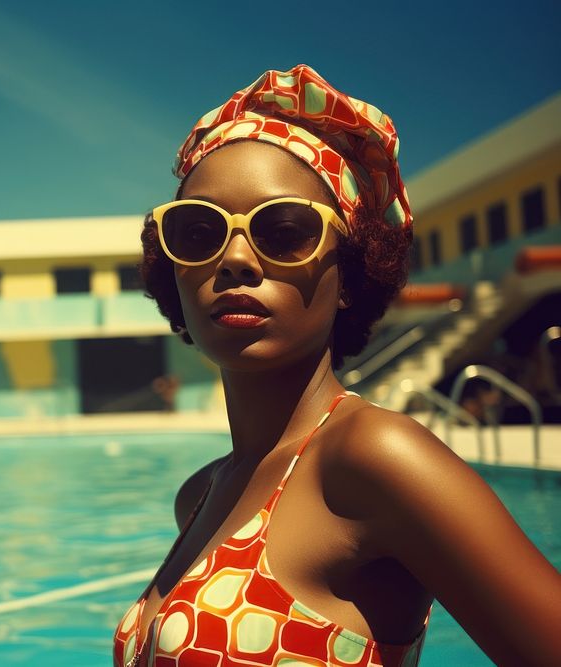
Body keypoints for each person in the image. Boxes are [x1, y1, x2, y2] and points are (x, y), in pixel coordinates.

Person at [113, 65, 561, 667]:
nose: (236, 258)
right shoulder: (199, 494)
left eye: (284, 230)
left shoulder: (373, 459)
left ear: (349, 271)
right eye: (199, 232)